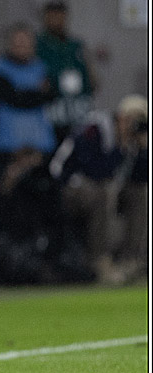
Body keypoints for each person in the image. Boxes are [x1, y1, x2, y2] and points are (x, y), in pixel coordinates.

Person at [49, 94, 148, 284]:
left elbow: (141, 178)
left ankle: (132, 259)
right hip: (71, 185)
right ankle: (100, 260)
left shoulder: (132, 143)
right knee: (104, 192)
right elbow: (93, 170)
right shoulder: (95, 129)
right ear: (122, 117)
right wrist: (121, 147)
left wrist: (142, 150)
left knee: (141, 194)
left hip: (105, 187)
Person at [0, 22, 57, 176]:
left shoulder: (41, 67)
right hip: (6, 146)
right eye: (18, 43)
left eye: (26, 43)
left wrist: (28, 93)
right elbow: (14, 98)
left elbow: (50, 95)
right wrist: (36, 93)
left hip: (39, 145)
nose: (21, 47)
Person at [35, 0, 97, 144]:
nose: (57, 19)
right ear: (45, 17)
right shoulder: (38, 44)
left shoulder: (76, 45)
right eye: (52, 15)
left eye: (60, 14)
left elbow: (93, 80)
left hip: (78, 113)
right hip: (51, 117)